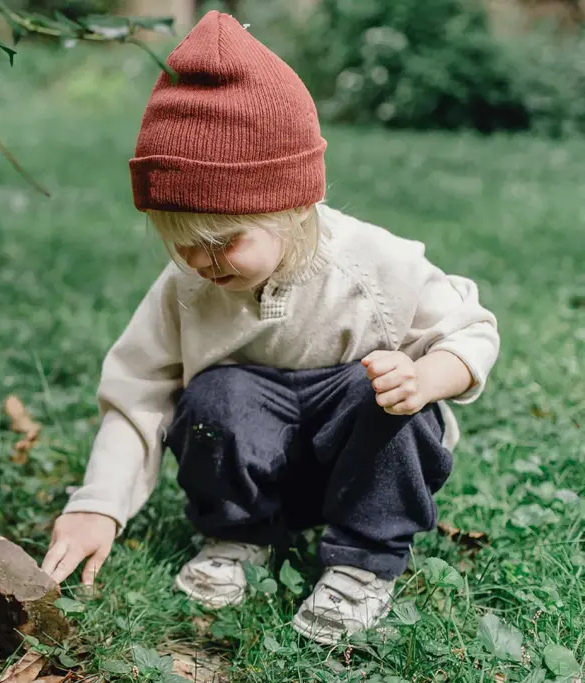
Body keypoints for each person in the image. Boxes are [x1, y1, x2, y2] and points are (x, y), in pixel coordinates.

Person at [40, 10, 500, 645]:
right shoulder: (188, 290)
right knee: (215, 395)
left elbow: (471, 330)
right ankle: (238, 534)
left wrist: (426, 377)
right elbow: (137, 396)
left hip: (354, 458)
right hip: (253, 462)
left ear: (290, 204)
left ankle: (362, 564)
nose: (205, 262)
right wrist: (97, 505)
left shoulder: (371, 265)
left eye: (224, 241)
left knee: (389, 400)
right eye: (184, 245)